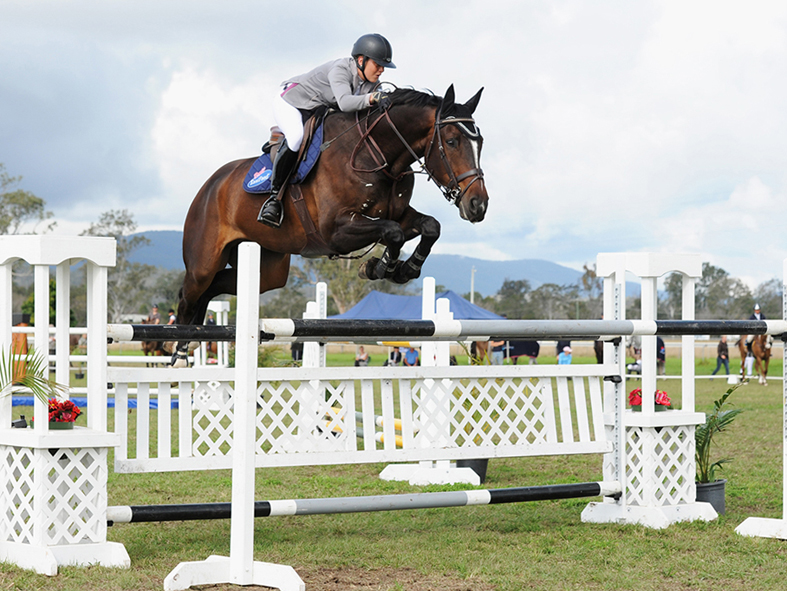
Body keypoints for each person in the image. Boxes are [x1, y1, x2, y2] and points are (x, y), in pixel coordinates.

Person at [258, 33, 396, 228]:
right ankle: (274, 200)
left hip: (316, 109)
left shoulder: (369, 82)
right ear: (361, 60)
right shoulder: (340, 70)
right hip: (291, 103)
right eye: (378, 64)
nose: (382, 70)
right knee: (296, 138)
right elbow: (346, 103)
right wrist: (373, 99)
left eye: (384, 66)